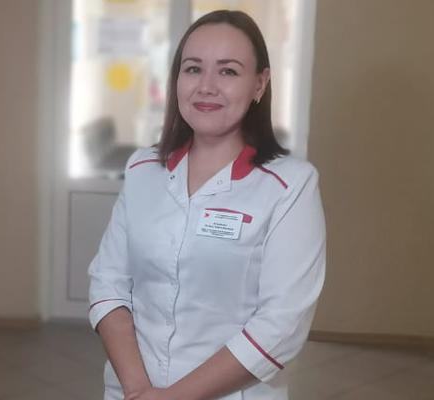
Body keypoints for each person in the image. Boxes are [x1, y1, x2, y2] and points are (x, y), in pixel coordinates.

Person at [87, 10, 326, 400]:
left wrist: (171, 397)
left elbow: (281, 324)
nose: (206, 86)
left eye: (228, 71)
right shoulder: (143, 169)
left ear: (260, 83)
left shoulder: (290, 185)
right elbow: (108, 281)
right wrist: (138, 389)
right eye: (193, 69)